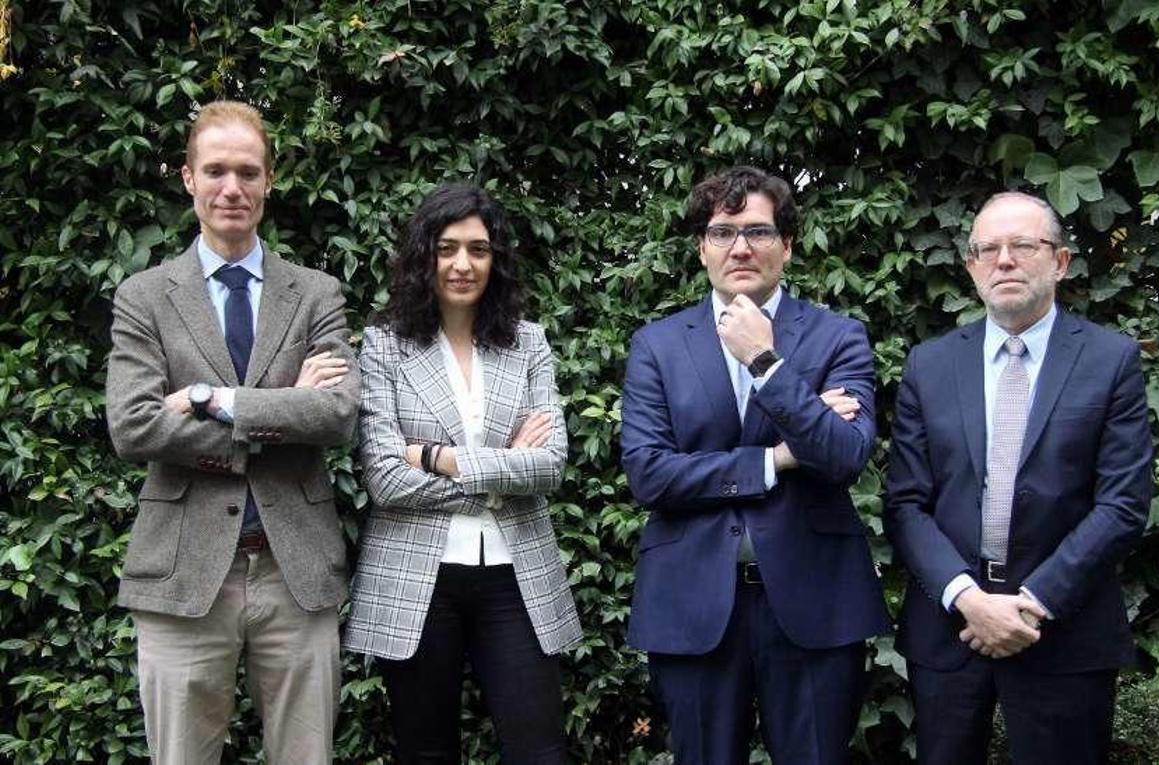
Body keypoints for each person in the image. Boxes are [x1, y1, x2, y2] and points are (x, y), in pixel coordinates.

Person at [105, 100, 360, 764]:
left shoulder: (315, 294)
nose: (232, 188)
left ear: (270, 180)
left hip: (295, 570)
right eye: (215, 170)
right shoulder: (145, 296)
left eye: (248, 172)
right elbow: (133, 426)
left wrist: (206, 398)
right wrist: (281, 409)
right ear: (187, 177)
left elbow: (336, 414)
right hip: (183, 572)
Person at [620, 165, 890, 764]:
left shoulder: (837, 337)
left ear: (787, 246)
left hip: (815, 597)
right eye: (722, 232)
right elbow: (649, 473)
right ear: (701, 247)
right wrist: (778, 458)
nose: (740, 247)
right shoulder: (658, 346)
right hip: (691, 603)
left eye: (759, 232)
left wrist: (766, 362)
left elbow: (844, 457)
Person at [884, 191, 1152, 764]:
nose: (1003, 260)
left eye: (1022, 246)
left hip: (1064, 630)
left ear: (1059, 261)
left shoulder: (1111, 360)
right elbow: (905, 503)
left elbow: (1123, 505)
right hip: (950, 631)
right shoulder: (928, 365)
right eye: (988, 249)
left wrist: (1032, 602)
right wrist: (968, 599)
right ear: (972, 267)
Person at [344, 182, 582, 764]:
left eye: (478, 249)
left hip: (516, 571)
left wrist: (434, 457)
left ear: (495, 259)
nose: (462, 264)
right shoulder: (384, 346)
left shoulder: (527, 343)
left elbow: (549, 465)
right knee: (426, 753)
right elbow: (384, 475)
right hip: (416, 576)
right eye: (447, 248)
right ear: (424, 254)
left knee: (539, 752)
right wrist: (503, 470)